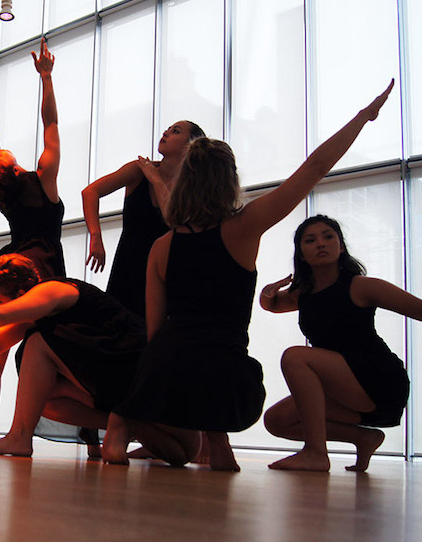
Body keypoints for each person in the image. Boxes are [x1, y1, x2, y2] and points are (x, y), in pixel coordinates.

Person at [101, 80, 397, 470]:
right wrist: (363, 117)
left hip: (166, 375)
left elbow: (156, 334)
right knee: (214, 360)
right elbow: (314, 168)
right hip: (228, 385)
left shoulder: (163, 246)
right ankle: (215, 440)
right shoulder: (243, 227)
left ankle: (127, 426)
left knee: (173, 380)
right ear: (229, 179)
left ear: (184, 183)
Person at [259, 215, 422, 472]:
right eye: (311, 240)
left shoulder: (361, 287)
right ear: (302, 255)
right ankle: (364, 438)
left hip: (378, 381)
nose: (321, 243)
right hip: (345, 386)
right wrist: (267, 292)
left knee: (296, 356)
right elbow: (272, 305)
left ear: (341, 247)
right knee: (277, 422)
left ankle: (316, 453)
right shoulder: (303, 294)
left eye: (328, 236)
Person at [0, 253, 145, 457]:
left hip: (131, 368)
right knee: (44, 401)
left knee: (37, 343)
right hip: (109, 380)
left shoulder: (52, 290)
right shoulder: (34, 315)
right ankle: (127, 424)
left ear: (21, 294)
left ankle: (19, 437)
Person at [0, 39, 64, 448]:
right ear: (6, 169)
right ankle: (20, 432)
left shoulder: (3, 190)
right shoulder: (43, 176)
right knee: (51, 349)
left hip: (6, 269)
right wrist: (46, 78)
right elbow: (51, 125)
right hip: (38, 269)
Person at [82, 120, 206, 318]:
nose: (166, 132)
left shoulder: (190, 192)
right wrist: (96, 237)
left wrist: (155, 178)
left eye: (175, 131)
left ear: (189, 146)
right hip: (126, 271)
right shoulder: (138, 170)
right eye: (168, 128)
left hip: (164, 278)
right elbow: (90, 192)